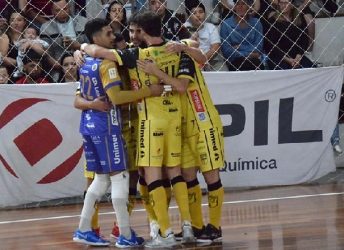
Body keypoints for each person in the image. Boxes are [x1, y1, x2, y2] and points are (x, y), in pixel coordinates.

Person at [79, 11, 203, 247]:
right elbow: (197, 56)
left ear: (144, 31)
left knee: (141, 176)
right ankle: (183, 225)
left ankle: (157, 231)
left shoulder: (136, 55)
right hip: (171, 120)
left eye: (136, 31)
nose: (131, 35)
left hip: (147, 122)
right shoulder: (179, 50)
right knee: (171, 173)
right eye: (130, 31)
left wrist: (83, 45)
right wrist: (184, 48)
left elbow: (99, 53)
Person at [72, 18, 162, 247]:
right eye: (108, 33)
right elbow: (117, 98)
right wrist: (148, 91)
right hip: (107, 127)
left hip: (89, 125)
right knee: (120, 177)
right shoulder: (106, 64)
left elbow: (81, 96)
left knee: (101, 179)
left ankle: (84, 229)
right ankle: (125, 234)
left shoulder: (86, 62)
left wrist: (81, 48)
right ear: (96, 38)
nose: (113, 37)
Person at [137, 40, 225, 242]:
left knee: (211, 174)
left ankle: (215, 226)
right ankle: (196, 226)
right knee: (187, 175)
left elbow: (201, 57)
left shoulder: (182, 51)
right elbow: (171, 87)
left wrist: (184, 47)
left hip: (204, 121)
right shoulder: (149, 57)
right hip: (182, 124)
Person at [264, 0, 314, 69]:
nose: (283, 5)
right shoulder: (272, 21)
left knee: (310, 69)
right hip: (279, 57)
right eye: (281, 3)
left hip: (296, 56)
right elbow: (271, 45)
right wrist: (288, 60)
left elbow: (304, 39)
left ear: (291, 5)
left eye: (286, 3)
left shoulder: (300, 19)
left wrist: (298, 57)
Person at [220, 0, 265, 71]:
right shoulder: (226, 24)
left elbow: (258, 47)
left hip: (254, 61)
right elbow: (227, 51)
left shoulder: (257, 23)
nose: (240, 6)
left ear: (249, 6)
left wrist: (238, 47)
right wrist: (251, 54)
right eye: (237, 4)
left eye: (243, 4)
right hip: (235, 61)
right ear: (234, 6)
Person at [184, 1, 228, 71]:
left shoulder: (211, 27)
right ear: (189, 15)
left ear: (205, 13)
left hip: (212, 61)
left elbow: (215, 47)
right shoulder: (184, 28)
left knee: (225, 75)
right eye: (194, 13)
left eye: (201, 12)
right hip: (192, 61)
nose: (198, 15)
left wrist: (203, 60)